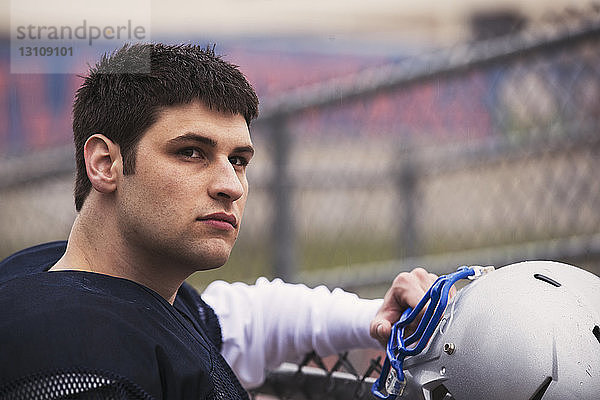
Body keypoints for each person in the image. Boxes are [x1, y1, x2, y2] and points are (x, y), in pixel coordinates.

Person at [0, 43, 437, 399]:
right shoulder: (74, 354)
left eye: (239, 160)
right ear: (104, 163)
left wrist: (376, 317)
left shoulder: (78, 275)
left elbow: (242, 321)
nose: (231, 185)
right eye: (191, 152)